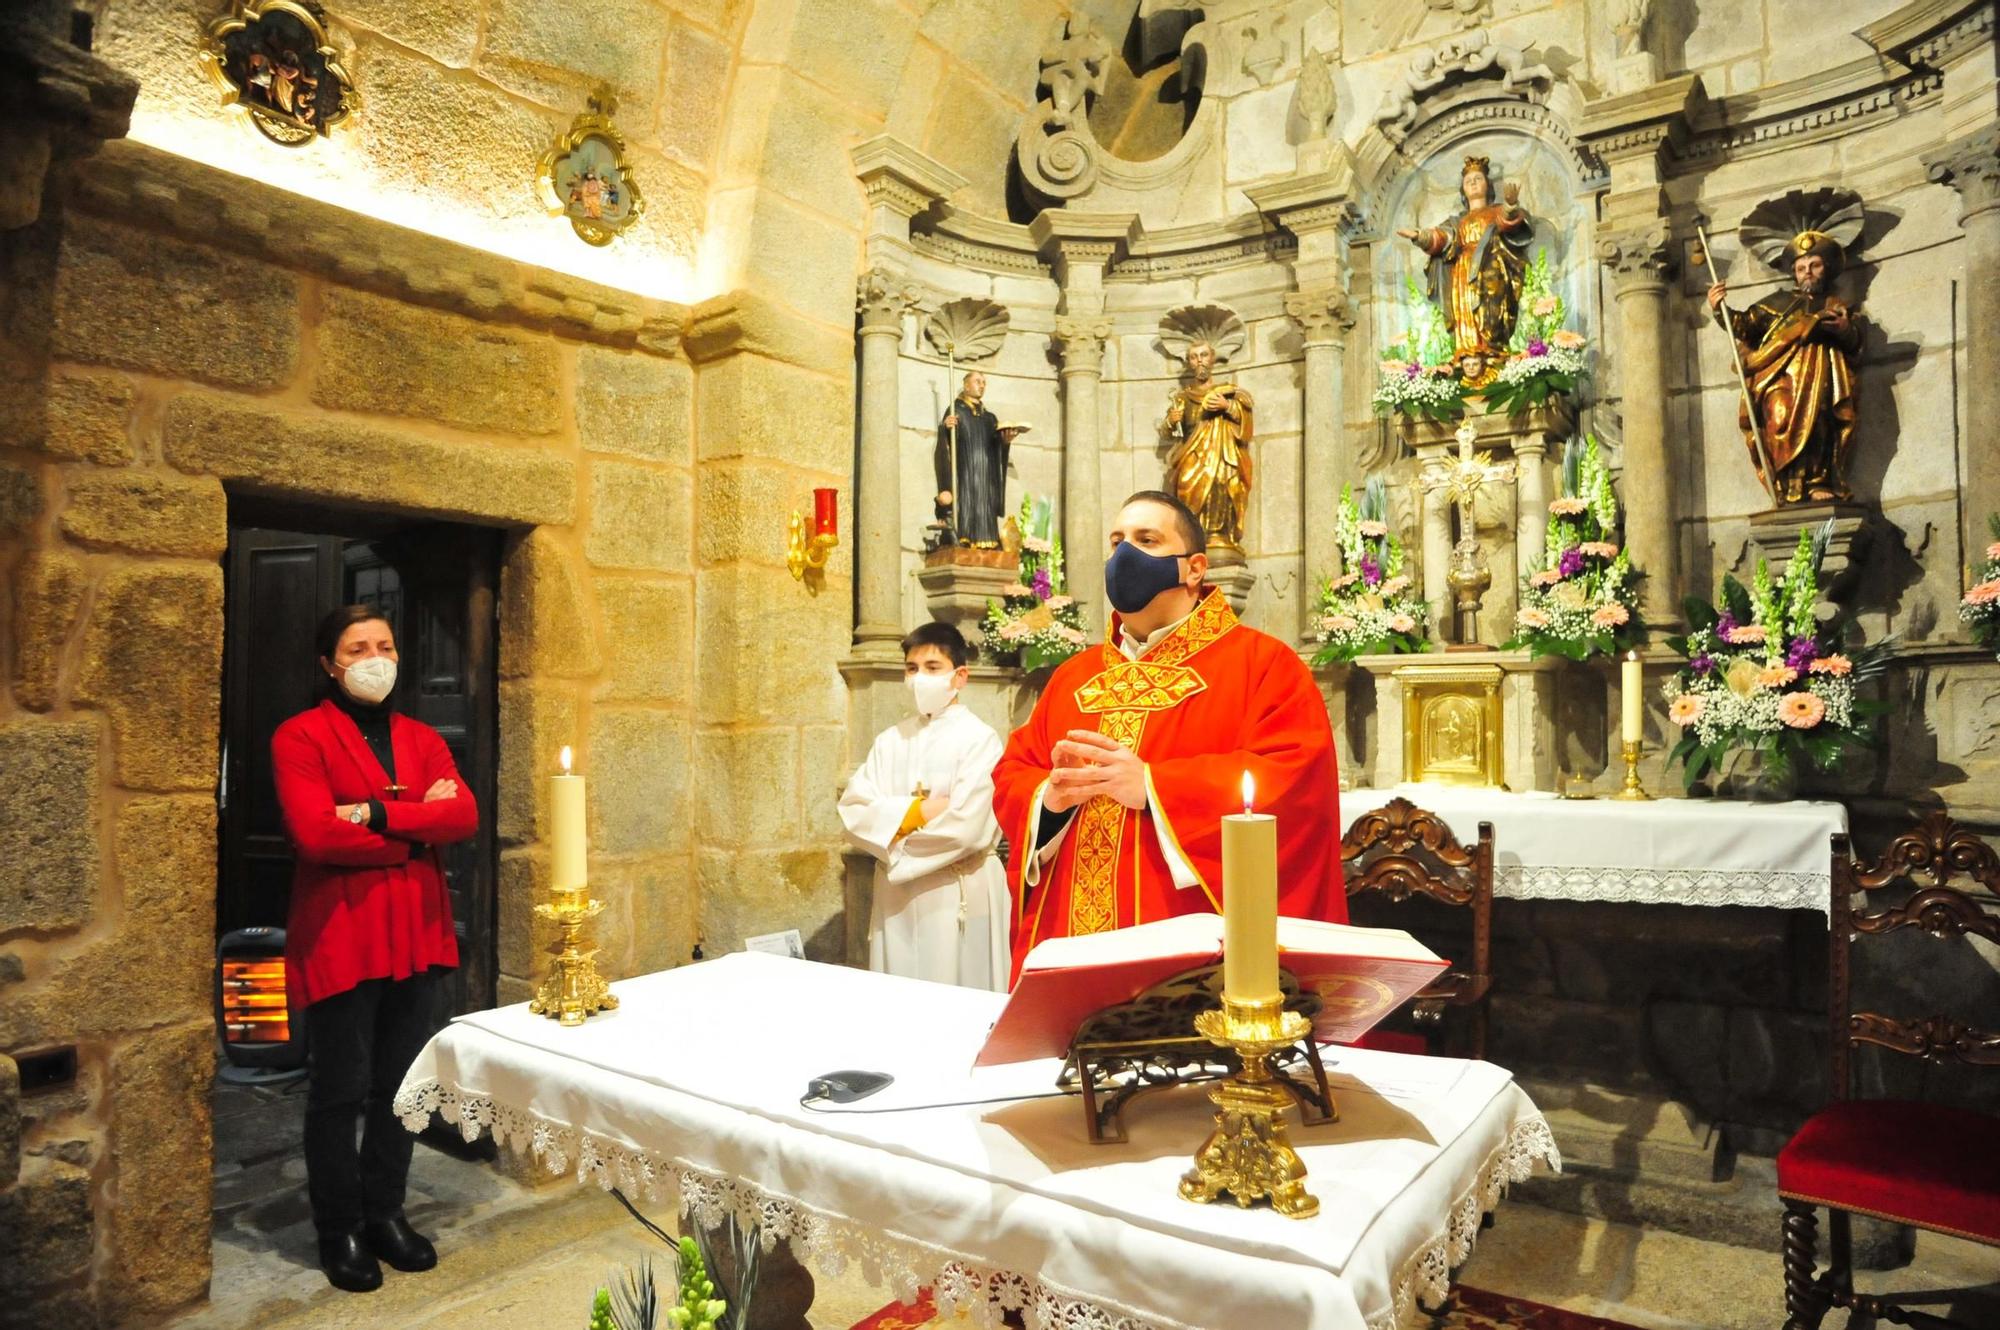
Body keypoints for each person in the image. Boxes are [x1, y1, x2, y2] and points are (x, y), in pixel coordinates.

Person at [991, 491, 1347, 983]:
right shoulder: (1074, 676)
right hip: (1071, 942)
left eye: (1146, 539)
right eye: (1116, 541)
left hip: (1191, 951)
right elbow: (1015, 770)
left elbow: (1295, 780)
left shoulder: (1262, 665)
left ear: (1194, 568)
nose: (1124, 555)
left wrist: (1156, 788)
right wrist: (1047, 801)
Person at [270, 606, 478, 1293]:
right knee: (339, 1090)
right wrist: (421, 829)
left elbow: (465, 815)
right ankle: (341, 1229)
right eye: (357, 647)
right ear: (329, 663)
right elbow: (316, 835)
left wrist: (378, 814)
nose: (375, 657)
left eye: (385, 644)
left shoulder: (420, 737)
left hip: (415, 929)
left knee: (401, 1085)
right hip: (342, 932)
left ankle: (386, 1211)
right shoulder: (299, 736)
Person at [839, 623, 1010, 991]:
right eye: (912, 669)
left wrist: (893, 840)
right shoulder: (890, 741)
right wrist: (918, 812)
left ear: (959, 676)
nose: (920, 678)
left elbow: (967, 827)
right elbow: (853, 811)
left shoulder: (980, 740)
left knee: (962, 993)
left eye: (933, 668)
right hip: (897, 900)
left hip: (956, 892)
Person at [1705, 230, 1863, 504]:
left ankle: (1816, 480)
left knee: (1819, 424)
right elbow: (1743, 326)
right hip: (1778, 380)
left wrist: (1845, 329)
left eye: (1814, 265)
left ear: (1825, 269)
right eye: (1801, 268)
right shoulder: (1777, 302)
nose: (1808, 273)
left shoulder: (1837, 305)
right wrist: (1719, 308)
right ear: (1794, 272)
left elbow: (1856, 343)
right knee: (1777, 420)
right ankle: (1787, 483)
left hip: (1819, 378)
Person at [1396, 155, 1534, 385]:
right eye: (1468, 180)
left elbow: (1510, 223)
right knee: (1464, 313)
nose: (1472, 183)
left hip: (1490, 270)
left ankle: (1491, 350)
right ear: (1462, 189)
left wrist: (1510, 207)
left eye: (1478, 178)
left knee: (1489, 309)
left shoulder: (1495, 212)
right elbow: (1441, 238)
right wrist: (1420, 237)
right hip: (1462, 271)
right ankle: (1468, 351)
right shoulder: (1457, 221)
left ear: (1487, 185)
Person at [1165, 341, 1254, 551]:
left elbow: (1245, 424)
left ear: (1212, 359)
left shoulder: (1228, 392)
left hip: (1223, 453)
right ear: (1189, 362)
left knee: (1221, 485)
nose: (1199, 361)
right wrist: (1171, 421)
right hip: (1192, 456)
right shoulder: (1182, 397)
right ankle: (1193, 537)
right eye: (1194, 357)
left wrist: (1228, 406)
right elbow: (1174, 433)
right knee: (1186, 487)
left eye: (1204, 355)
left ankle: (1218, 535)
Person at [936, 371, 1008, 546]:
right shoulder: (956, 410)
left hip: (986, 476)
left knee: (985, 506)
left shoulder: (990, 418)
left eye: (984, 382)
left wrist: (1005, 441)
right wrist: (946, 428)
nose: (982, 385)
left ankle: (989, 542)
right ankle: (963, 539)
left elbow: (997, 449)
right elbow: (945, 445)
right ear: (966, 385)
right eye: (977, 381)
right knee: (966, 505)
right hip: (965, 471)